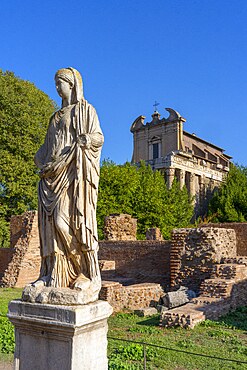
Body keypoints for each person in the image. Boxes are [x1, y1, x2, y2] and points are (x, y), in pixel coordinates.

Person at [33, 67, 104, 293]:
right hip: (50, 177)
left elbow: (98, 137)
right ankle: (52, 274)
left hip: (73, 175)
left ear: (72, 85)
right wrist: (40, 159)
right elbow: (47, 147)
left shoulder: (85, 110)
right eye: (55, 83)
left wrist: (87, 140)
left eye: (60, 83)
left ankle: (84, 272)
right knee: (50, 229)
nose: (56, 88)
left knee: (68, 224)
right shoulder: (54, 117)